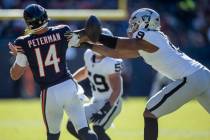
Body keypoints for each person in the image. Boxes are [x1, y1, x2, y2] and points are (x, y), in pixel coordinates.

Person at [68, 8, 210, 140]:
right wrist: (86, 44)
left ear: (144, 23)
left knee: (150, 112)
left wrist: (96, 37)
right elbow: (115, 52)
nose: (132, 26)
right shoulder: (148, 41)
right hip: (203, 75)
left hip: (191, 78)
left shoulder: (149, 36)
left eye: (135, 23)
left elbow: (123, 45)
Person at [9, 4, 97, 140]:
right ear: (45, 17)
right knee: (84, 131)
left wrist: (21, 56)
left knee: (53, 136)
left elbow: (15, 75)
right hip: (69, 85)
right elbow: (82, 39)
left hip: (49, 92)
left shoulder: (23, 43)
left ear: (28, 22)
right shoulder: (62, 31)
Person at [67, 28, 123, 140]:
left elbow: (117, 90)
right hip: (95, 100)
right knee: (72, 125)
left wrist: (106, 108)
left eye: (101, 42)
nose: (98, 44)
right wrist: (70, 82)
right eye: (96, 41)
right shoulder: (89, 54)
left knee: (98, 128)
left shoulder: (111, 61)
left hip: (111, 102)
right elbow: (85, 71)